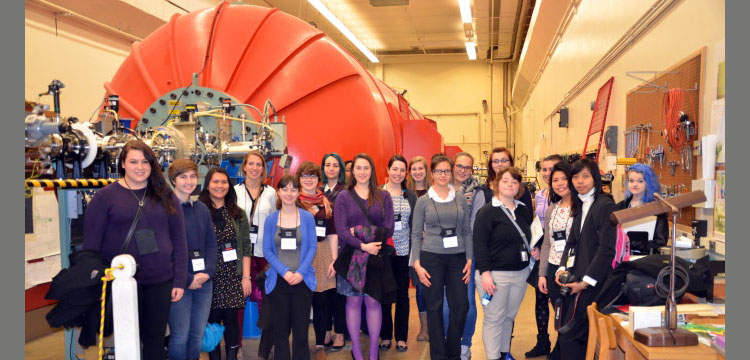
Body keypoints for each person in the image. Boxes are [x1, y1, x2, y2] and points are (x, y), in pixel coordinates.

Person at [83, 140, 187, 360]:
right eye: (133, 161)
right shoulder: (104, 198)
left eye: (145, 161)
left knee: (155, 341)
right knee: (127, 342)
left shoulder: (165, 196)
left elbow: (179, 241)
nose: (140, 167)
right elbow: (91, 246)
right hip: (121, 284)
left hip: (160, 282)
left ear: (152, 165)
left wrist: (178, 281)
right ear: (122, 164)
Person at [333, 153, 395, 360]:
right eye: (358, 168)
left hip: (376, 255)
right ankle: (357, 353)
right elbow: (341, 230)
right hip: (351, 257)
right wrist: (362, 244)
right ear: (352, 172)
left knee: (374, 302)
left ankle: (374, 353)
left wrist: (359, 233)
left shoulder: (383, 196)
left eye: (366, 168)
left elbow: (389, 228)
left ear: (372, 171)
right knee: (353, 302)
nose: (362, 172)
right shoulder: (343, 197)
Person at [412, 155, 473, 360]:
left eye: (447, 171)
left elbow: (466, 230)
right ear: (432, 174)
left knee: (461, 305)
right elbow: (415, 233)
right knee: (434, 306)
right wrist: (417, 265)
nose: (443, 175)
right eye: (439, 171)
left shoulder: (459, 198)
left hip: (457, 258)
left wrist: (469, 259)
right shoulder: (423, 201)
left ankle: (453, 350)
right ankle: (438, 355)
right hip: (431, 258)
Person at [555, 159, 617, 360]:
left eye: (585, 176)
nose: (580, 181)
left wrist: (585, 282)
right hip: (577, 279)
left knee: (570, 336)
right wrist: (561, 269)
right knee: (575, 336)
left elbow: (606, 250)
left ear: (595, 178)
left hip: (593, 284)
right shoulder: (580, 204)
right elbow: (571, 242)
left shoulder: (605, 205)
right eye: (575, 176)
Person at [473, 167, 533, 360]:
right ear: (496, 184)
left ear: (519, 187)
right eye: (505, 180)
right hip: (495, 276)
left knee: (509, 316)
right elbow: (480, 244)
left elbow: (529, 237)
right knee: (494, 318)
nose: (510, 184)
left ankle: (503, 353)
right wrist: (485, 273)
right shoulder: (487, 212)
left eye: (514, 181)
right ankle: (493, 357)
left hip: (520, 273)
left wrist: (535, 249)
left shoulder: (523, 211)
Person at [167, 159, 218, 360]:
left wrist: (207, 273)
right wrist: (189, 279)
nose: (189, 181)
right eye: (183, 177)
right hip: (179, 283)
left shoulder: (201, 209)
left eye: (192, 176)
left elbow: (212, 245)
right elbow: (166, 252)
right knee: (180, 336)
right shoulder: (166, 211)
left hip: (204, 283)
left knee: (197, 336)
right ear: (173, 180)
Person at [262, 174, 318, 360]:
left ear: (298, 192)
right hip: (279, 282)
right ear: (278, 192)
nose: (289, 193)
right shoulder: (271, 220)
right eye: (285, 189)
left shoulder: (307, 217)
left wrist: (300, 272)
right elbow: (267, 250)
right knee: (280, 332)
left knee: (301, 332)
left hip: (302, 281)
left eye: (293, 189)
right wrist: (285, 272)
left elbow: (312, 246)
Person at [199, 167, 252, 360]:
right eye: (215, 182)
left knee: (231, 321)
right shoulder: (199, 211)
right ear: (208, 185)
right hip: (209, 277)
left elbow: (246, 248)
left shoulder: (238, 214)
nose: (220, 186)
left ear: (229, 186)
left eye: (224, 182)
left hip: (232, 275)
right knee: (211, 322)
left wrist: (246, 277)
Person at [233, 150, 277, 360]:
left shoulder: (271, 193)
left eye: (258, 164)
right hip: (242, 254)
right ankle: (237, 345)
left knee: (266, 301)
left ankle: (268, 344)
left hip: (264, 253)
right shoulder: (234, 192)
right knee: (239, 300)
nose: (254, 168)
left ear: (263, 169)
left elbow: (277, 221)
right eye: (251, 164)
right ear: (244, 167)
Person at [295, 161, 338, 360]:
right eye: (305, 176)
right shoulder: (292, 200)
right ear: (299, 179)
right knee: (301, 302)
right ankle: (300, 344)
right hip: (299, 254)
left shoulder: (325, 202)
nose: (309, 180)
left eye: (312, 176)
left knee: (321, 300)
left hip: (322, 253)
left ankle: (320, 343)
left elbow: (333, 232)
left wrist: (334, 260)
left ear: (318, 180)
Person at [443, 152, 481, 360]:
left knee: (467, 301)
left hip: (467, 253)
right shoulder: (441, 188)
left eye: (467, 167)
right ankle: (450, 341)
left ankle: (465, 343)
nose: (462, 170)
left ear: (472, 169)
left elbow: (476, 225)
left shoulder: (478, 193)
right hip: (443, 254)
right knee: (447, 303)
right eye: (459, 166)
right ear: (453, 166)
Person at [524, 154, 563, 358]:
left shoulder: (566, 196)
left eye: (552, 169)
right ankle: (542, 341)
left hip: (562, 254)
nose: (547, 173)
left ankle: (561, 344)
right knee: (541, 299)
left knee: (559, 301)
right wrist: (535, 247)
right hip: (542, 252)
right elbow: (538, 225)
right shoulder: (540, 195)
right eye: (544, 169)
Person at [537, 162, 576, 360]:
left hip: (573, 269)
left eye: (564, 179)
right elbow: (546, 243)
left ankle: (566, 351)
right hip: (553, 267)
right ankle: (560, 349)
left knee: (572, 314)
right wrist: (542, 273)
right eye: (555, 180)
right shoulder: (552, 209)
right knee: (559, 312)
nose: (560, 184)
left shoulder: (582, 208)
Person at [379, 155, 418, 352]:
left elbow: (415, 226)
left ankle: (401, 337)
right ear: (388, 170)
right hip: (383, 252)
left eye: (402, 170)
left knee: (403, 295)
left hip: (403, 253)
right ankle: (385, 336)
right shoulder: (378, 193)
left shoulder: (410, 196)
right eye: (395, 169)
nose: (398, 173)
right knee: (384, 295)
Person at [320, 153, 348, 351]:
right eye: (327, 165)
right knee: (323, 293)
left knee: (340, 293)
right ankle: (326, 332)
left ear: (341, 169)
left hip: (342, 247)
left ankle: (340, 332)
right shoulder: (317, 190)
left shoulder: (346, 191)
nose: (331, 168)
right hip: (321, 249)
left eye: (335, 165)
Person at [406, 155, 431, 342]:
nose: (417, 172)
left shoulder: (434, 192)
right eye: (413, 169)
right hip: (413, 248)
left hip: (433, 247)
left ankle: (435, 325)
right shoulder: (406, 193)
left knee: (434, 287)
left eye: (420, 168)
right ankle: (424, 328)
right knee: (420, 288)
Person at [617, 163, 668, 254]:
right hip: (622, 259)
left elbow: (661, 242)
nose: (635, 184)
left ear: (648, 183)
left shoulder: (658, 210)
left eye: (640, 181)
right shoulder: (620, 207)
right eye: (631, 181)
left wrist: (633, 244)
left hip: (646, 261)